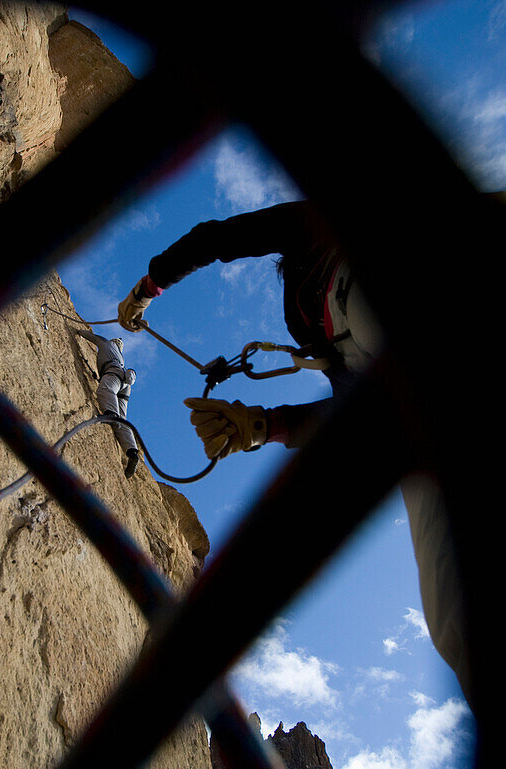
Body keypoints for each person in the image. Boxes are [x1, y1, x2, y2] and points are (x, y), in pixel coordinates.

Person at [117, 198, 474, 707]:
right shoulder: (341, 364)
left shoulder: (318, 226)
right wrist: (264, 425)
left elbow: (217, 238)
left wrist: (148, 286)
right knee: (452, 624)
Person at [74, 329, 141, 478]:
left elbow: (92, 336)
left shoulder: (107, 343)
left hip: (114, 375)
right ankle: (132, 452)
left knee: (105, 391)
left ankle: (110, 415)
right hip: (125, 385)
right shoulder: (121, 358)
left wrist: (77, 330)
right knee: (123, 419)